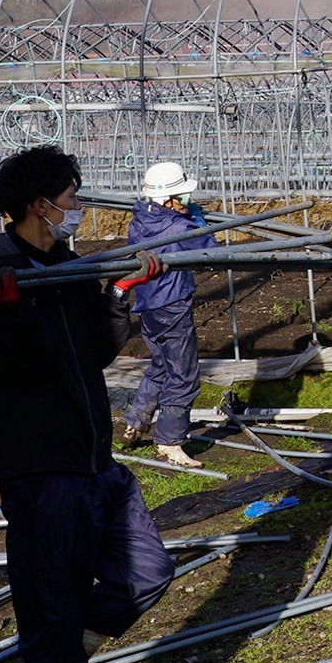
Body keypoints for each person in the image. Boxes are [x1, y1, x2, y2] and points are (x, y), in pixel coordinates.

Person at [0, 145, 175, 663]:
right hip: (42, 465)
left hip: (93, 457)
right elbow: (20, 368)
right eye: (69, 196)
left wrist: (119, 292)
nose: (77, 206)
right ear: (38, 204)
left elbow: (94, 351)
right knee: (52, 599)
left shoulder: (68, 267)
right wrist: (6, 311)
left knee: (148, 570)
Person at [118, 161, 216, 471]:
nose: (186, 203)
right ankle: (170, 441)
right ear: (167, 201)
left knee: (161, 363)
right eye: (182, 198)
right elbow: (209, 252)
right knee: (183, 373)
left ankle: (136, 419)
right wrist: (198, 220)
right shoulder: (179, 227)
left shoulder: (140, 222)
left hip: (147, 305)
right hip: (173, 304)